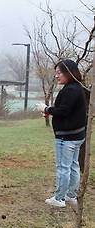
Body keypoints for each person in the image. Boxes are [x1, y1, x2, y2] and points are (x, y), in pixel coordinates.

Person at [42, 60, 87, 208]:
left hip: (67, 137)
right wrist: (50, 110)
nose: (56, 76)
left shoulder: (70, 90)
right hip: (77, 135)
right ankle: (70, 196)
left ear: (69, 72)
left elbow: (63, 111)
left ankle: (60, 198)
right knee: (73, 165)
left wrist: (47, 109)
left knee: (63, 167)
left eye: (59, 73)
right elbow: (67, 110)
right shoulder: (77, 88)